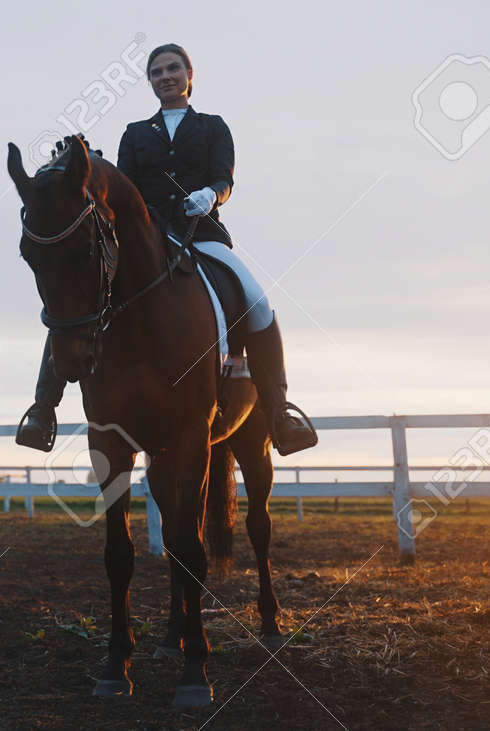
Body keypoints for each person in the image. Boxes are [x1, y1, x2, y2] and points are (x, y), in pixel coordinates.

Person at [16, 43, 318, 457]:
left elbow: (224, 177)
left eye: (173, 68)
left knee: (257, 303)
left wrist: (211, 196)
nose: (166, 76)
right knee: (77, 298)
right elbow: (124, 190)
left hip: (203, 233)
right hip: (150, 238)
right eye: (157, 72)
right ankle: (43, 408)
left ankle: (279, 410)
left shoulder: (213, 126)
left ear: (189, 75)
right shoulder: (137, 133)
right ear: (151, 82)